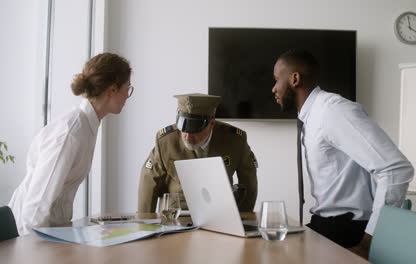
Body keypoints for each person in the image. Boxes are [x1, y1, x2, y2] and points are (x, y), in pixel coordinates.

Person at [271, 49, 414, 258]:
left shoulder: (333, 111)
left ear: (295, 79)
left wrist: (369, 242)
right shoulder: (312, 117)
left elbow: (396, 169)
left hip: (347, 232)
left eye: (276, 80)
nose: (273, 88)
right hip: (326, 225)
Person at [9, 53, 133, 235]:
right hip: (25, 237)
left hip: (53, 233)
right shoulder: (71, 132)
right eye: (127, 89)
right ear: (112, 90)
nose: (127, 97)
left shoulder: (88, 125)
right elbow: (35, 208)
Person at [138, 93, 258, 213]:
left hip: (219, 213)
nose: (188, 135)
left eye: (195, 128)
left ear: (211, 124)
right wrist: (145, 223)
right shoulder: (166, 141)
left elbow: (249, 182)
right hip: (178, 214)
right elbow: (148, 181)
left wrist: (243, 219)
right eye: (183, 127)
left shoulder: (234, 141)